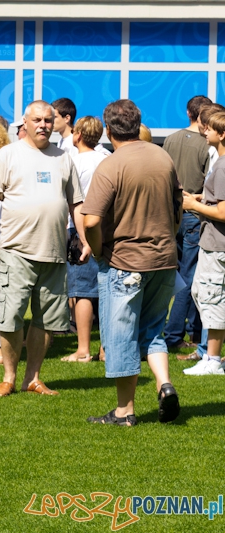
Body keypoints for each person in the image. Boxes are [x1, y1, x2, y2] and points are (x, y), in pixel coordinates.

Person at [83, 99, 182, 426]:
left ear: (107, 129)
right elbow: (178, 208)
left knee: (120, 336)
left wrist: (98, 252)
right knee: (153, 330)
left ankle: (125, 410)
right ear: (139, 123)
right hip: (164, 259)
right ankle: (164, 384)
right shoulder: (163, 157)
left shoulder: (111, 165)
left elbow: (91, 221)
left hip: (124, 262)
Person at [0, 100, 88, 396]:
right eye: (37, 120)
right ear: (25, 124)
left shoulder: (64, 158)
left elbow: (76, 203)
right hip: (16, 250)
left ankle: (33, 378)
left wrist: (85, 238)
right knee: (11, 315)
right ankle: (9, 377)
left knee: (47, 320)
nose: (43, 125)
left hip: (53, 252)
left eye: (48, 120)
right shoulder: (8, 154)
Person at [163, 95, 212, 351]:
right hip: (195, 211)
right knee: (190, 276)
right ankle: (174, 334)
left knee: (178, 273)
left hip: (174, 212)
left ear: (187, 112)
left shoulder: (170, 139)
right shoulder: (208, 145)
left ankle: (190, 331)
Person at [181, 111, 225, 375]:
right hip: (214, 242)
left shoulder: (222, 165)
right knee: (207, 295)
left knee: (212, 297)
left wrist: (190, 204)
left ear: (222, 134)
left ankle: (213, 360)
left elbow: (223, 212)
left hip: (217, 244)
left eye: (210, 129)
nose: (204, 131)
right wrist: (200, 200)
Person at [61, 116, 108, 363]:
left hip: (78, 228)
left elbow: (69, 200)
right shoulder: (107, 159)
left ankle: (83, 348)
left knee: (82, 291)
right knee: (106, 289)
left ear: (77, 135)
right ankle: (105, 347)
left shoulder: (72, 162)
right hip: (106, 227)